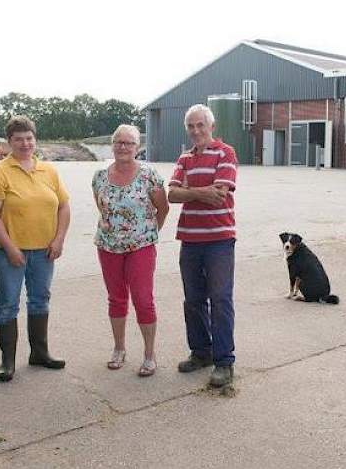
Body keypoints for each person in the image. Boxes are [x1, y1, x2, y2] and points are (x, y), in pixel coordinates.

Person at [0, 116, 70, 382]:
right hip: (11, 253)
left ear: (35, 139)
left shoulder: (49, 171)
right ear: (9, 142)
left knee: (40, 299)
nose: (25, 143)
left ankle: (39, 353)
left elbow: (63, 206)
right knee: (8, 304)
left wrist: (58, 240)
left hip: (44, 251)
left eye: (29, 138)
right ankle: (7, 360)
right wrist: (9, 247)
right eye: (18, 139)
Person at [167, 104, 238, 387]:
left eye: (201, 125)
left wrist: (189, 192)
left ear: (212, 126)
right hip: (190, 239)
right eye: (191, 126)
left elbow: (219, 195)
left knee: (220, 300)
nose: (196, 131)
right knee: (193, 300)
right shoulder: (184, 157)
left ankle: (224, 362)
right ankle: (201, 352)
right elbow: (171, 194)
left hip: (219, 240)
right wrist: (199, 192)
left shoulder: (226, 153)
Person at [92, 124, 169, 377]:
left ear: (137, 147)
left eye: (129, 143)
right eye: (119, 142)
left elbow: (163, 208)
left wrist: (148, 234)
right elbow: (102, 208)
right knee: (116, 298)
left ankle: (149, 354)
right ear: (113, 145)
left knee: (143, 300)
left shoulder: (150, 176)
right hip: (108, 246)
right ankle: (119, 348)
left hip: (141, 247)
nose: (123, 147)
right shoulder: (100, 177)